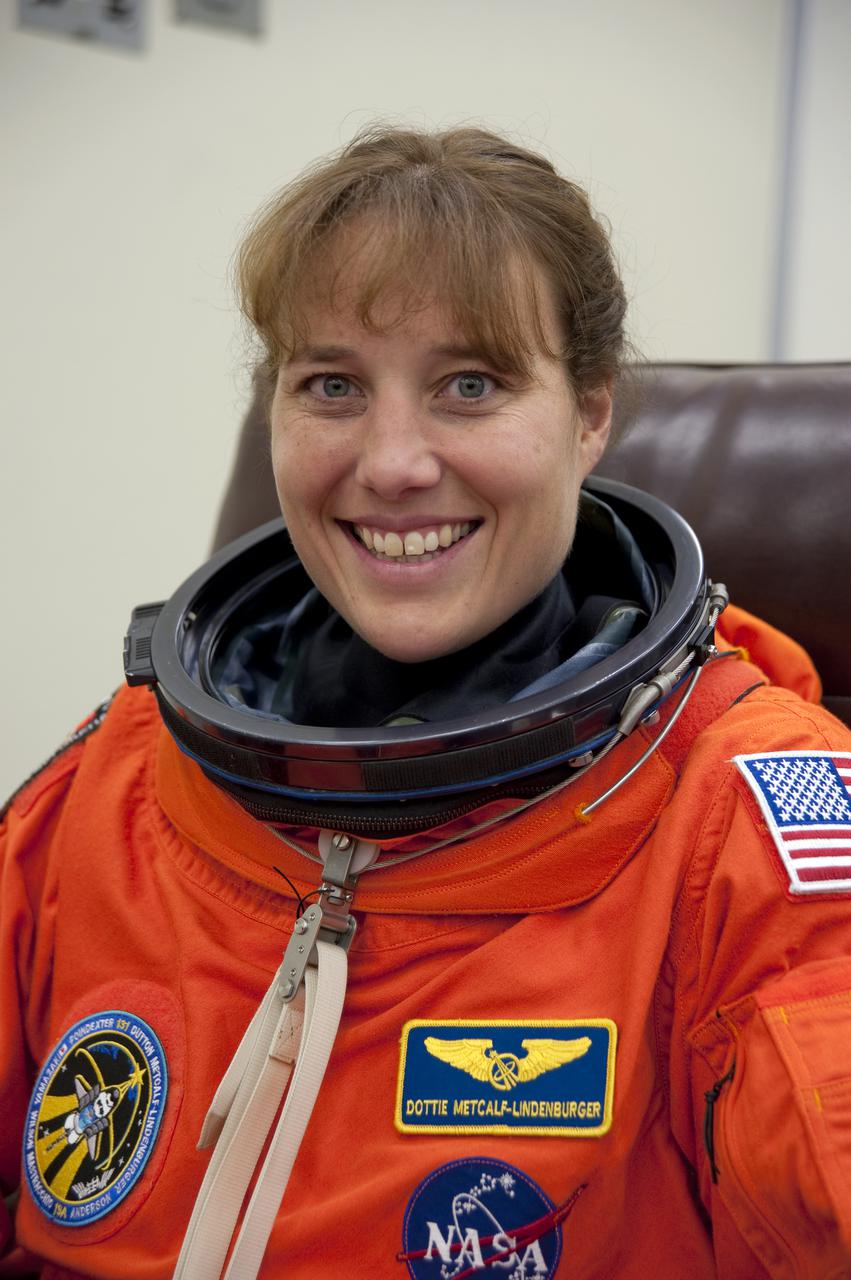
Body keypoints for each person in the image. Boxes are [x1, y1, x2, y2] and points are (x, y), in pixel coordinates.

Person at [2, 126, 850, 1280]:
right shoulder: (115, 780)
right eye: (332, 385)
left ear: (589, 413)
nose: (393, 461)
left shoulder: (749, 827)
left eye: (470, 383)